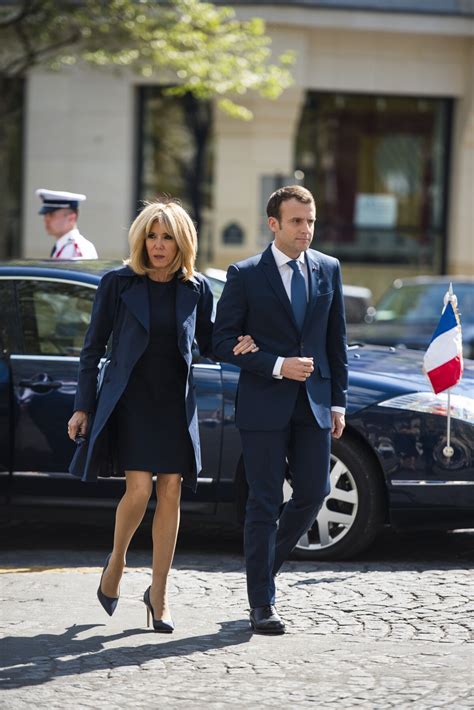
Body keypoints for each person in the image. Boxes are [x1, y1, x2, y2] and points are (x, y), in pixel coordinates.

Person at [68, 199, 257, 632]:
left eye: (167, 237)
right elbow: (92, 348)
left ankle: (159, 594)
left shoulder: (195, 288)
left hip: (175, 401)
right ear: (141, 240)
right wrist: (83, 406)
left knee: (170, 489)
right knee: (138, 489)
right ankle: (116, 562)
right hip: (130, 400)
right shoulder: (117, 284)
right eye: (151, 236)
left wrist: (241, 345)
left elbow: (208, 342)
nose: (157, 245)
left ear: (181, 242)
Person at [213, 185, 348, 635]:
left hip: (313, 404)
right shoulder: (246, 273)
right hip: (263, 405)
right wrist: (272, 363)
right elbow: (219, 339)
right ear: (274, 223)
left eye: (310, 221)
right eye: (296, 221)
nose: (306, 229)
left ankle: (261, 571)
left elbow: (335, 342)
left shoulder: (329, 268)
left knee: (313, 492)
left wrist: (338, 400)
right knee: (264, 502)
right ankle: (261, 604)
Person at [36, 188, 98, 259]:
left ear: (71, 218)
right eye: (45, 215)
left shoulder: (77, 249)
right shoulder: (64, 246)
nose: (46, 220)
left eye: (51, 215)